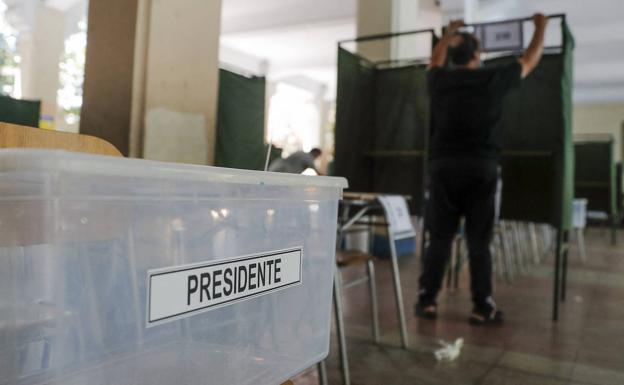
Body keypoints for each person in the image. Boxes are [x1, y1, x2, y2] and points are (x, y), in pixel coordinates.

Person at [415, 14, 549, 325]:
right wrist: (541, 28)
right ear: (477, 56)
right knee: (479, 240)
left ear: (452, 55)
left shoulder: (440, 81)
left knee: (439, 238)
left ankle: (427, 301)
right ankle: (481, 305)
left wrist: (447, 34)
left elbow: (434, 61)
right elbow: (530, 59)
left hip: (444, 166)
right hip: (481, 168)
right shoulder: (492, 78)